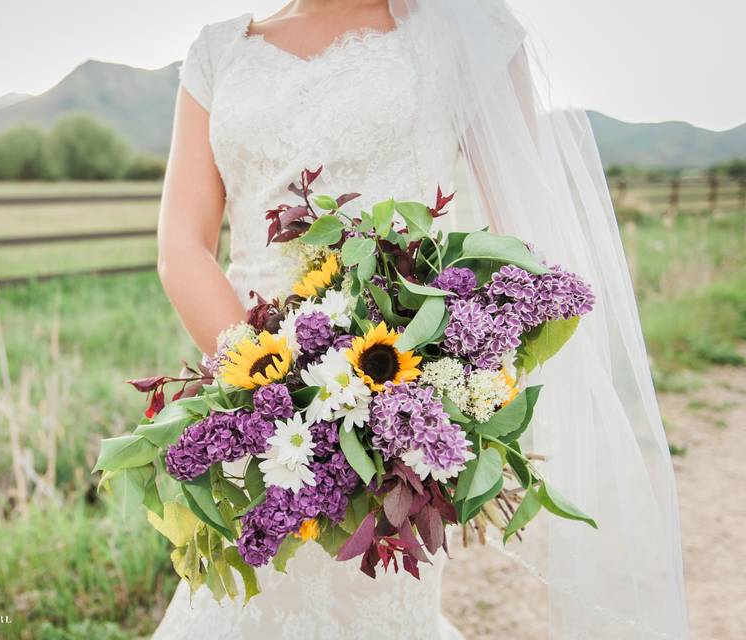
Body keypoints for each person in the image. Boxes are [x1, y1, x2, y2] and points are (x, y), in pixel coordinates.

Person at [153, 1, 690, 637]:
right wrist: (268, 398)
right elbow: (181, 246)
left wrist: (449, 393)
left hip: (394, 412)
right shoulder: (218, 51)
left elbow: (524, 241)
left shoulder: (461, 32)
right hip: (251, 391)